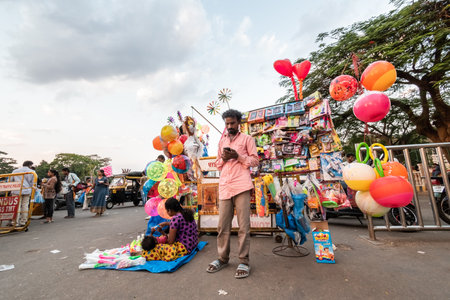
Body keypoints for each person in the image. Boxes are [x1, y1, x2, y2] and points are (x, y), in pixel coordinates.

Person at [207, 109, 259, 279]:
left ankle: (244, 260)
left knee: (244, 226)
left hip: (242, 185)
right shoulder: (221, 141)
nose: (229, 126)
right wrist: (223, 157)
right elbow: (217, 164)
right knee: (222, 226)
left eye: (232, 123)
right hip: (224, 186)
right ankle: (222, 258)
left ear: (239, 123)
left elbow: (255, 161)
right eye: (227, 123)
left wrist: (238, 156)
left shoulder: (247, 139)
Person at [11, 161, 37, 227]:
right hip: (27, 190)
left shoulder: (15, 171)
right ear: (30, 165)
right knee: (25, 205)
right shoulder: (32, 172)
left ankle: (15, 222)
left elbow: (11, 181)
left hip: (16, 190)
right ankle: (23, 221)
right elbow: (33, 183)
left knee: (17, 206)